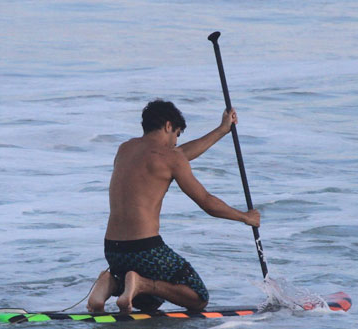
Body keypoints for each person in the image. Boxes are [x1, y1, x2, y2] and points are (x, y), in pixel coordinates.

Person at [86, 100, 260, 314]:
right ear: (169, 126)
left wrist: (222, 130)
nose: (176, 143)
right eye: (177, 135)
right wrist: (245, 217)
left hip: (113, 249)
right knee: (198, 297)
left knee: (149, 302)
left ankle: (109, 285)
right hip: (145, 249)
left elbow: (180, 154)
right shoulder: (171, 158)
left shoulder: (125, 149)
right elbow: (206, 202)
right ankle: (140, 283)